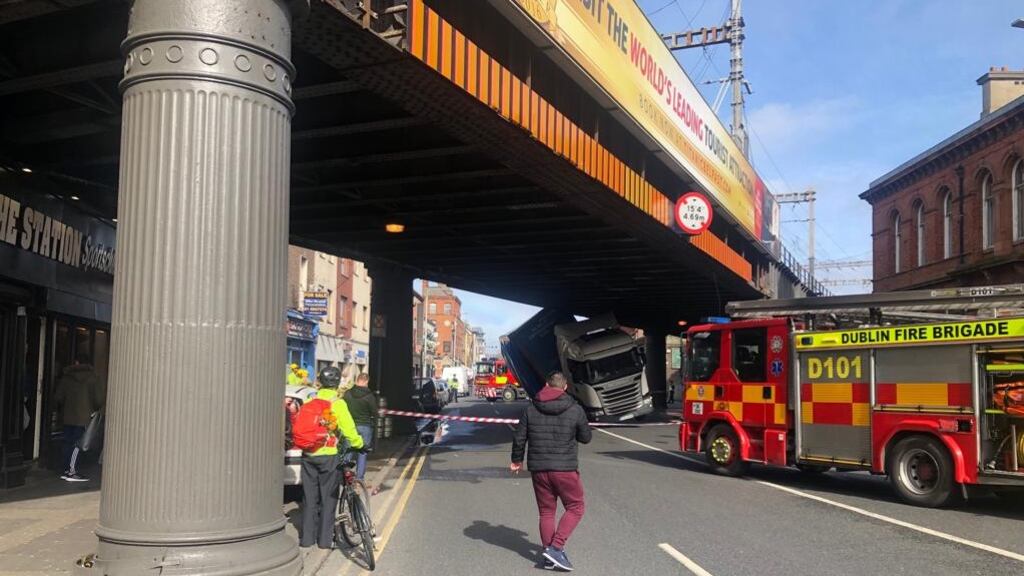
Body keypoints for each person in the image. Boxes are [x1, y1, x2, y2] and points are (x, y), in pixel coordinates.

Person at [511, 372, 591, 571]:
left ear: (546, 385)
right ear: (565, 388)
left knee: (546, 512)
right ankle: (556, 548)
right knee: (576, 507)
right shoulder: (575, 409)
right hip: (565, 468)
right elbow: (586, 437)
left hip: (539, 468)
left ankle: (548, 557)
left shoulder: (531, 408)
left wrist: (516, 460)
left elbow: (519, 437)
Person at [300, 366, 364, 550]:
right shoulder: (337, 403)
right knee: (329, 498)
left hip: (308, 454)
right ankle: (324, 541)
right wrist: (359, 444)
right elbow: (349, 431)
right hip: (328, 456)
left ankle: (306, 539)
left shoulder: (310, 399)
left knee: (309, 498)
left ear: (319, 381)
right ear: (336, 384)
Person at [54, 353, 105, 482]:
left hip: (67, 417)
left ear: (76, 362)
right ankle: (72, 471)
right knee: (78, 444)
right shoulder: (93, 378)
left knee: (67, 442)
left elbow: (58, 397)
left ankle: (65, 469)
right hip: (83, 417)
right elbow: (99, 400)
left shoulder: (66, 378)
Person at [343, 372, 378, 481]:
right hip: (365, 427)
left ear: (357, 380)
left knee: (348, 450)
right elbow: (374, 412)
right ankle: (359, 478)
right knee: (362, 453)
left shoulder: (347, 394)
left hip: (350, 425)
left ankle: (345, 473)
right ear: (366, 381)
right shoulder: (369, 396)